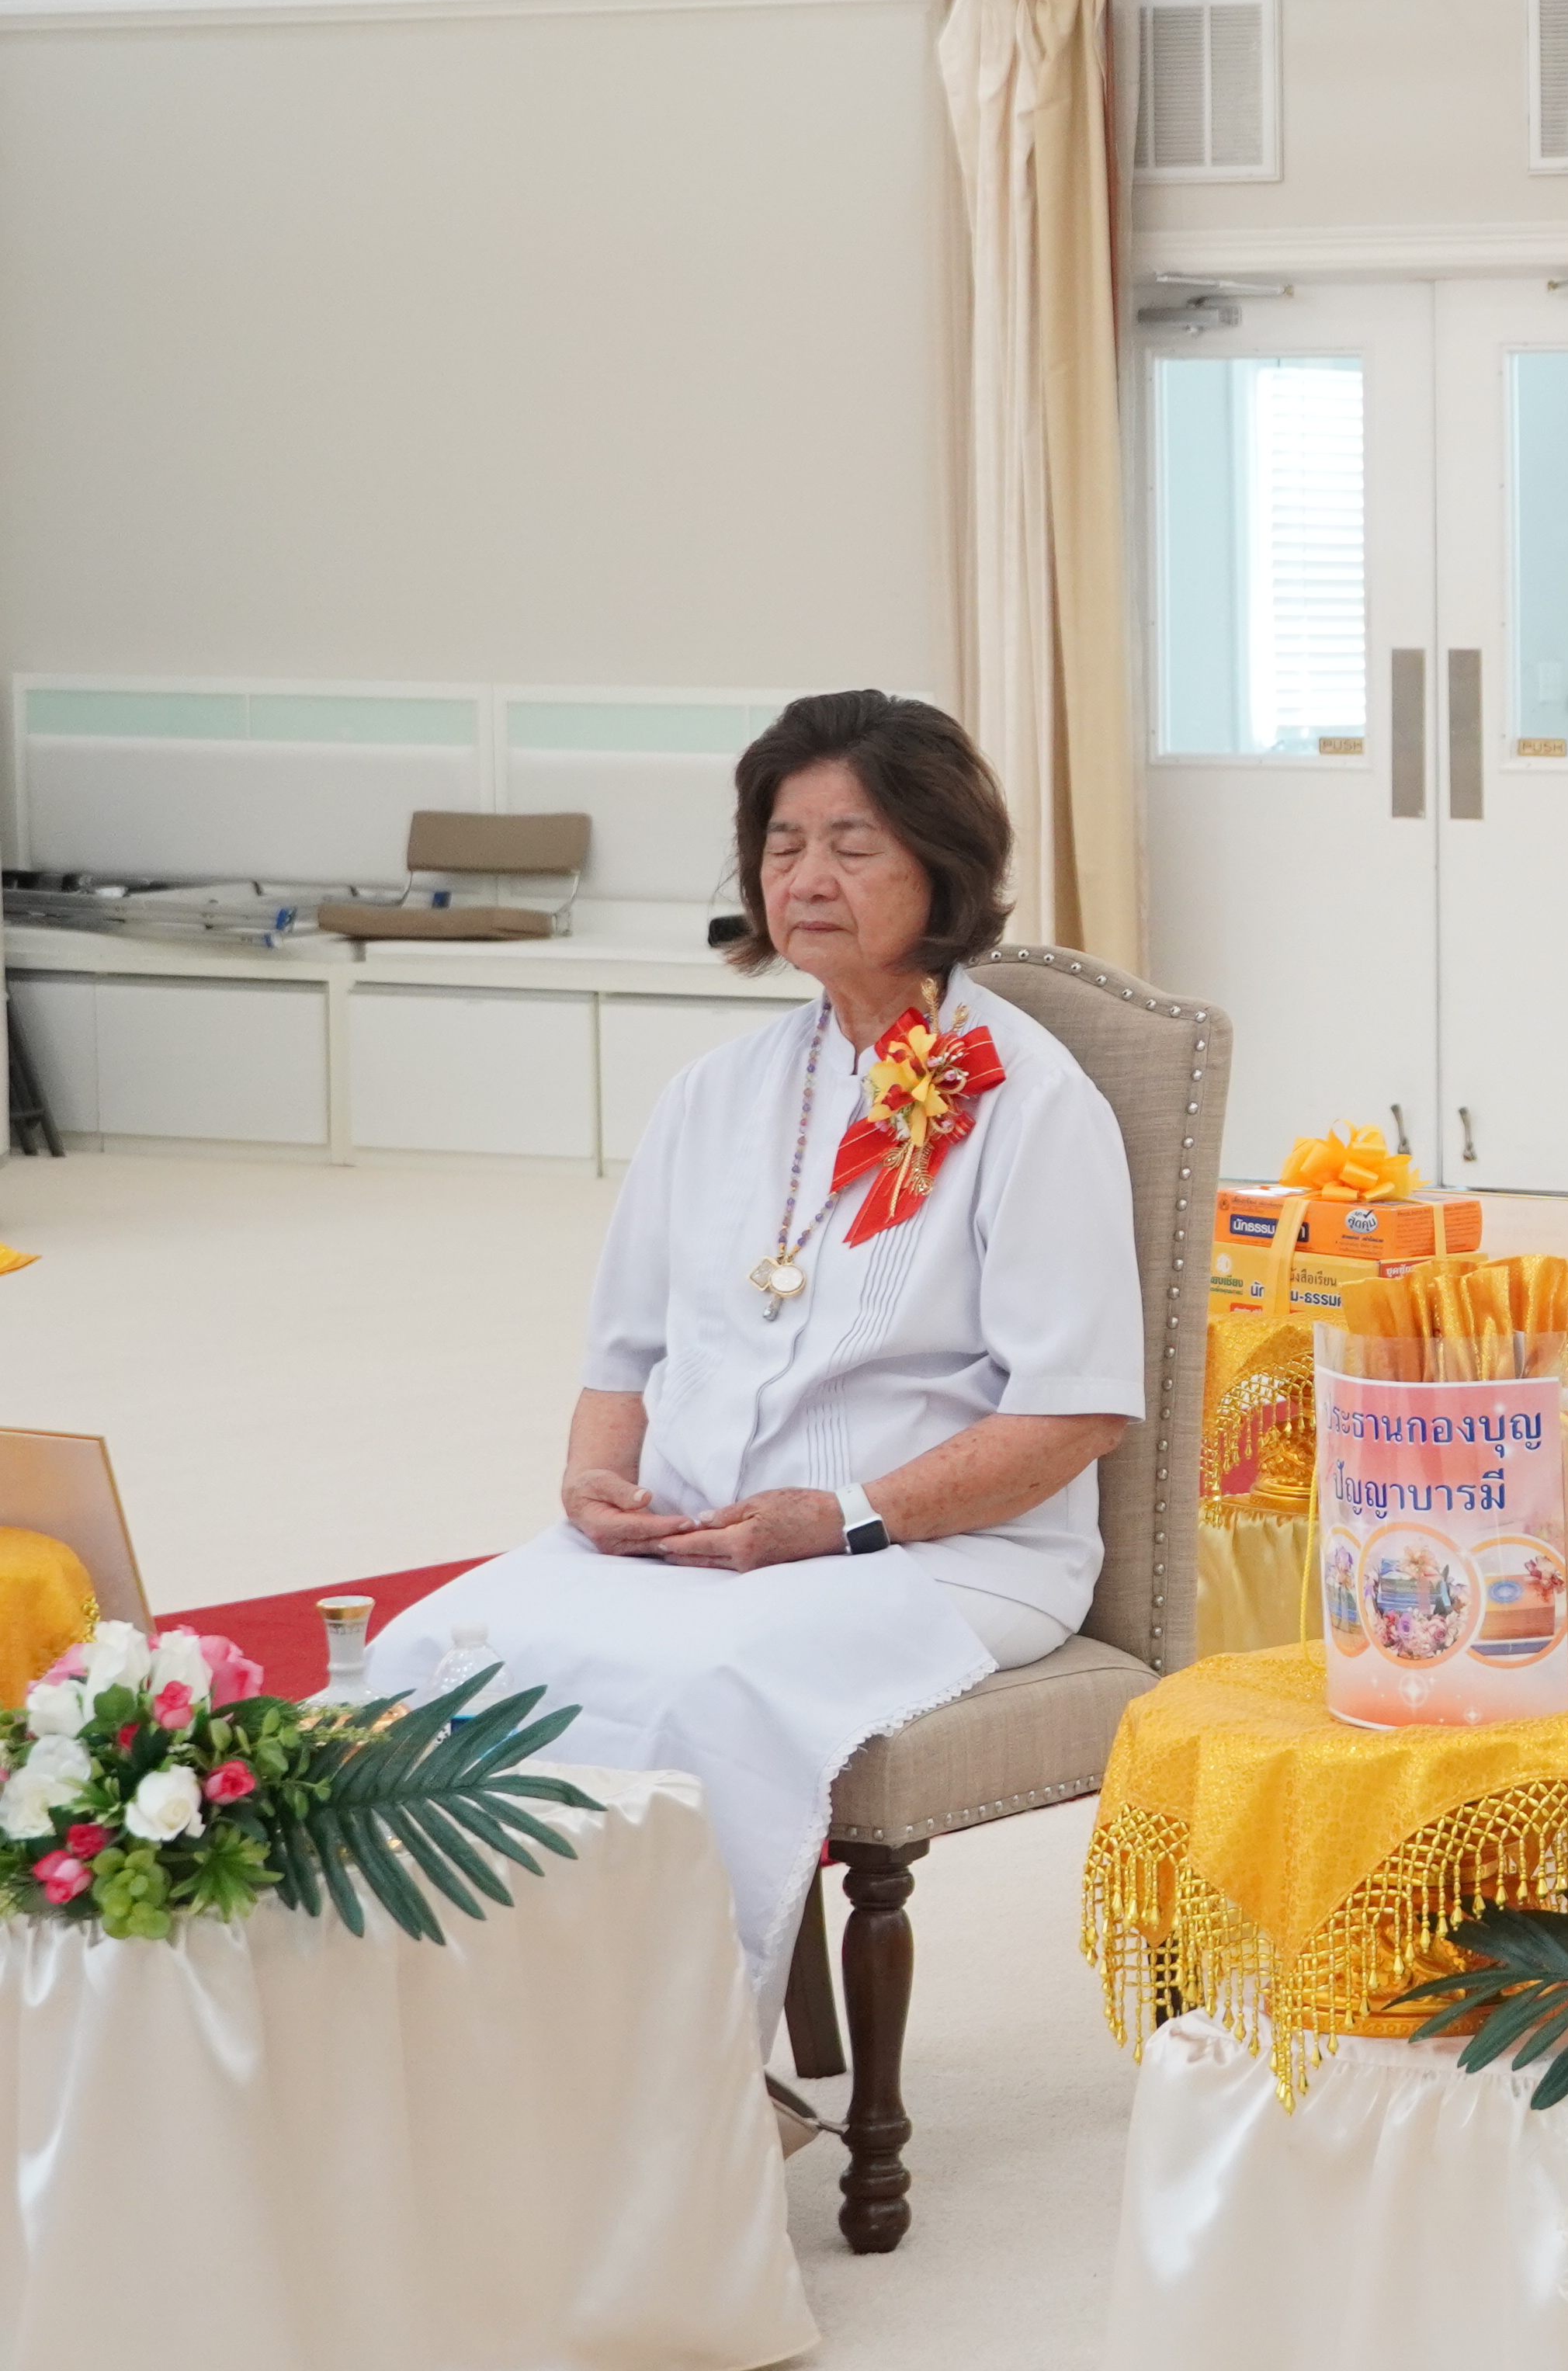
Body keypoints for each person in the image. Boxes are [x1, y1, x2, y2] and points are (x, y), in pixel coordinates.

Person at [373, 693, 1142, 2061]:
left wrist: (835, 1518)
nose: (806, 878)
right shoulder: (715, 1094)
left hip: (943, 1555)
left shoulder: (1032, 1101)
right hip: (694, 1536)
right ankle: (450, 2069)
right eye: (782, 844)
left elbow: (1072, 1412)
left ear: (941, 865)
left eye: (852, 843)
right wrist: (593, 1480)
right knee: (428, 1657)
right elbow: (623, 1352)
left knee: (697, 1693)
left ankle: (672, 2095)